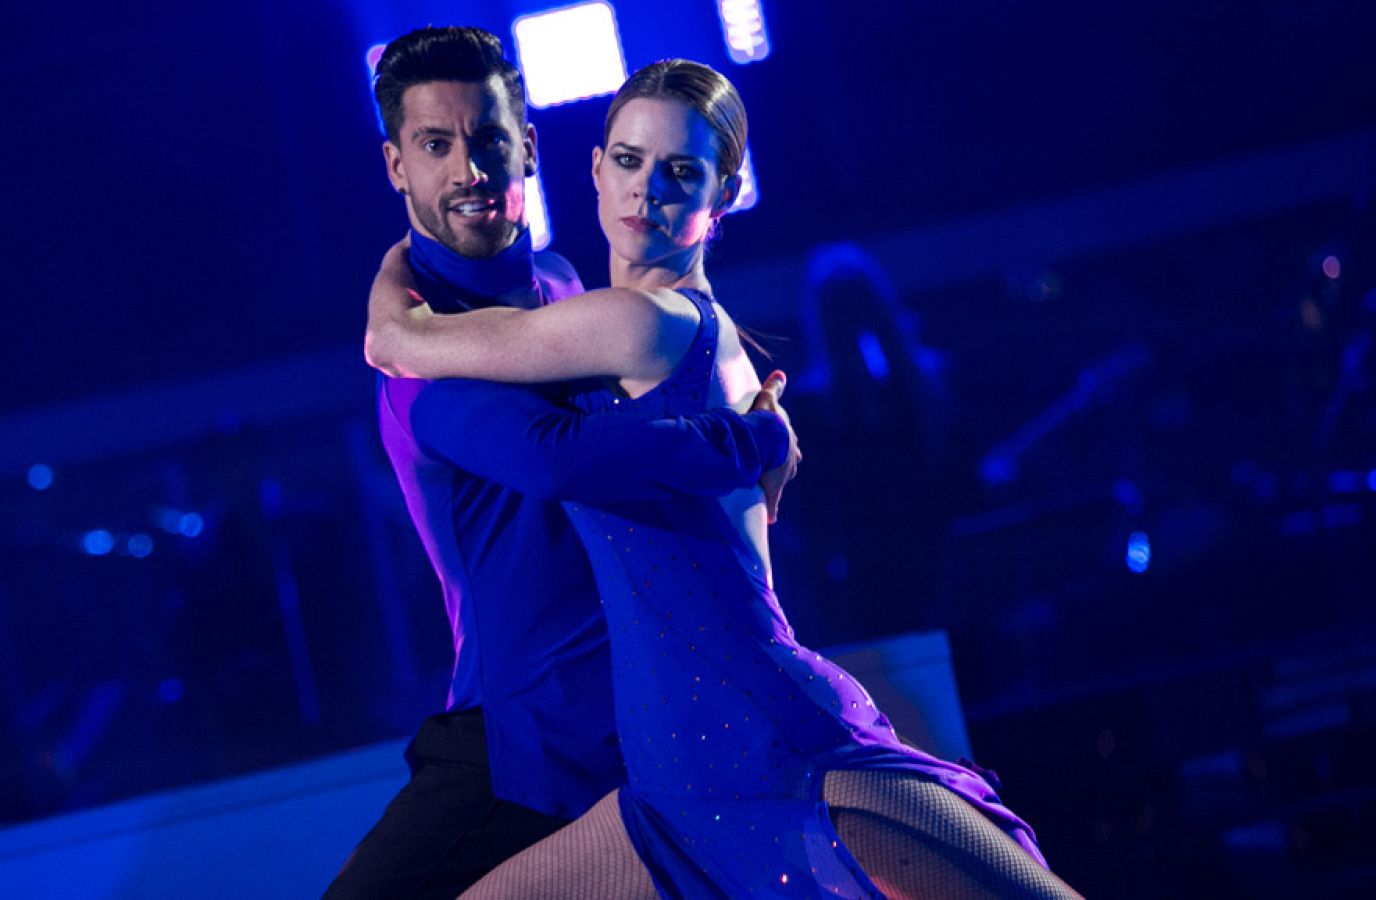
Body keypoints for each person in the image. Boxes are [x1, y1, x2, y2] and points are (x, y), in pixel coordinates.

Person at [367, 58, 1080, 899]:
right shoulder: (589, 309)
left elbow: (426, 357)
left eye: (680, 172)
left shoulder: (639, 321)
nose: (646, 194)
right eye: (629, 162)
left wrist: (390, 312)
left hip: (754, 731)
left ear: (725, 191)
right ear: (594, 171)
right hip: (668, 777)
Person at [327, 29, 799, 899]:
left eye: (489, 138)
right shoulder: (417, 358)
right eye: (435, 146)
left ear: (530, 147)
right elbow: (559, 462)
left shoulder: (564, 287)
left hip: (653, 708)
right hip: (524, 738)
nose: (469, 168)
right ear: (397, 167)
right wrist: (750, 441)